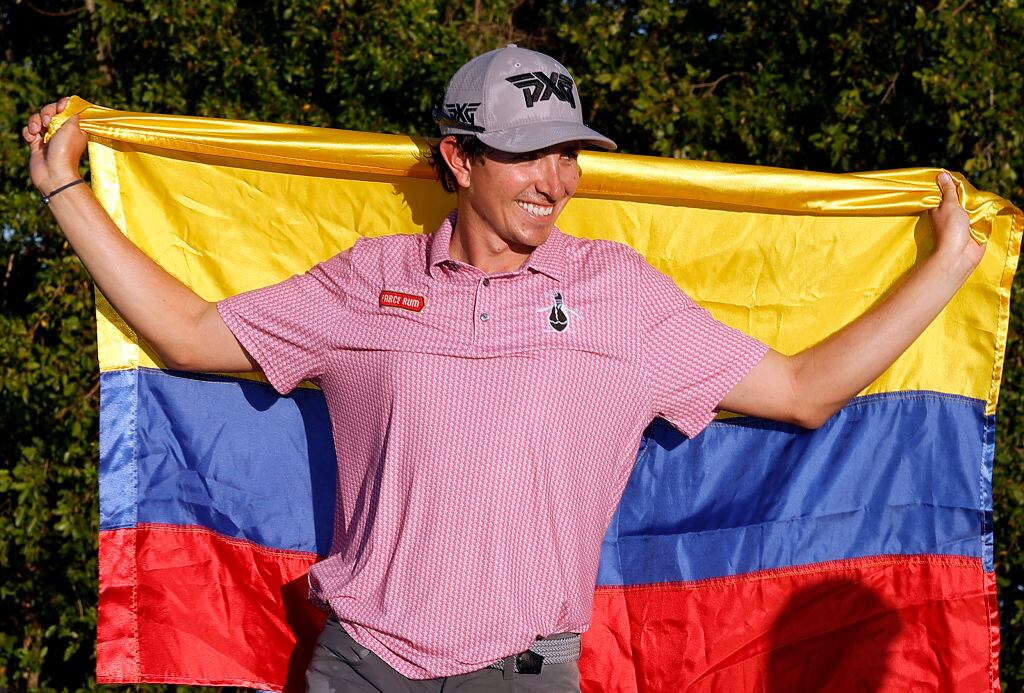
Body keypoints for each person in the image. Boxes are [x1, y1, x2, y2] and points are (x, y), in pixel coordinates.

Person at [23, 44, 983, 692]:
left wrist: (945, 270)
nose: (555, 181)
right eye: (528, 154)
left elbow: (804, 392)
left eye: (568, 154)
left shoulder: (622, 293)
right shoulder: (370, 279)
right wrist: (65, 190)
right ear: (459, 157)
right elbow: (191, 335)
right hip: (359, 668)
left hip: (524, 673)